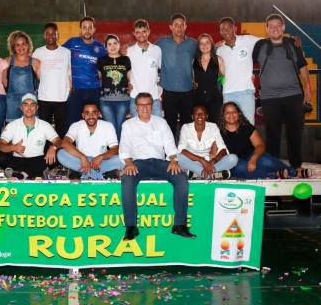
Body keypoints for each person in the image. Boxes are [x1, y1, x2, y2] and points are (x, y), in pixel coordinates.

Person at [120, 92, 195, 240]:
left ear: (152, 106)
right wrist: (128, 163)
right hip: (138, 163)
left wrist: (173, 159)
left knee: (181, 177)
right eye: (141, 105)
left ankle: (180, 225)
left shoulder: (161, 122)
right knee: (127, 179)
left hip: (160, 163)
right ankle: (131, 226)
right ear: (135, 107)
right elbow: (125, 146)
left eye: (148, 104)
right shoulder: (128, 125)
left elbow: (169, 143)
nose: (145, 108)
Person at [252, 14, 311, 176]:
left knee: (295, 133)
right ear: (266, 29)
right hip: (269, 98)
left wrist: (307, 86)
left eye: (278, 25)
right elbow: (240, 52)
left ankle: (297, 165)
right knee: (273, 135)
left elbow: (302, 65)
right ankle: (274, 166)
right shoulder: (260, 45)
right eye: (271, 26)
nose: (275, 28)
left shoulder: (293, 43)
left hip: (294, 95)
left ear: (283, 27)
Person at [217, 17, 301, 125]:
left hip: (246, 92)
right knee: (228, 125)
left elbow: (271, 39)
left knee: (248, 126)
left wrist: (292, 39)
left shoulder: (247, 40)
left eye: (229, 28)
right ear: (220, 31)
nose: (226, 31)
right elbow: (219, 71)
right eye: (223, 29)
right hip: (228, 93)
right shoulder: (219, 50)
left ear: (235, 28)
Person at [217, 102, 299, 179]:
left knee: (267, 161)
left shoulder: (247, 127)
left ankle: (293, 172)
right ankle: (273, 175)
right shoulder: (217, 131)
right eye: (227, 112)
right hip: (233, 161)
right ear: (223, 115)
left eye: (234, 111)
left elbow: (260, 145)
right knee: (241, 168)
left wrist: (254, 159)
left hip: (251, 155)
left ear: (239, 114)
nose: (231, 114)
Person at [0, 93, 61, 179]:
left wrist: (53, 147)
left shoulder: (44, 125)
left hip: (38, 160)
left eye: (32, 105)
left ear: (37, 108)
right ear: (21, 108)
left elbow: (59, 141)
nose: (29, 108)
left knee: (59, 154)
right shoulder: (12, 125)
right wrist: (13, 147)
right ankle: (33, 172)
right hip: (18, 160)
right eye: (25, 105)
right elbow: (0, 145)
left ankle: (21, 174)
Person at [155, 13, 197, 138]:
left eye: (181, 25)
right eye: (176, 25)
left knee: (187, 125)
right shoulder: (162, 43)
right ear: (171, 27)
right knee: (169, 124)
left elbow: (210, 51)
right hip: (169, 91)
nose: (179, 28)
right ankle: (170, 153)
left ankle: (186, 153)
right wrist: (126, 48)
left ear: (185, 27)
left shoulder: (192, 43)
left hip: (187, 91)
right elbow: (147, 48)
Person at [58, 101, 124, 180]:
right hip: (81, 161)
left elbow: (115, 149)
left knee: (124, 159)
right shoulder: (76, 126)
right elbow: (65, 143)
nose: (91, 116)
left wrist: (101, 156)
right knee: (60, 154)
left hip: (102, 161)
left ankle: (82, 174)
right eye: (87, 113)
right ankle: (101, 174)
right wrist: (82, 157)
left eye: (94, 112)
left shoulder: (108, 126)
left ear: (99, 114)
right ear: (83, 115)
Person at [62, 16, 106, 128]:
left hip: (95, 90)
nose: (87, 30)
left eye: (90, 27)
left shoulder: (100, 47)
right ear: (80, 29)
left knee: (96, 123)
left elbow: (108, 66)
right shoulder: (72, 42)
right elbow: (56, 53)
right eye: (84, 27)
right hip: (77, 91)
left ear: (94, 29)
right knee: (70, 124)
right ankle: (73, 146)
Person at [177, 105, 237, 179]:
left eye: (202, 113)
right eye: (196, 113)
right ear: (192, 116)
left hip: (209, 162)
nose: (199, 115)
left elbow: (223, 149)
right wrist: (202, 160)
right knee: (178, 157)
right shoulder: (186, 128)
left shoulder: (213, 127)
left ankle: (197, 174)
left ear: (206, 116)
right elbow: (181, 150)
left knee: (233, 158)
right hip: (191, 162)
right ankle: (212, 174)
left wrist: (212, 161)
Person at [33, 22, 71, 139]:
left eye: (53, 33)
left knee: (61, 130)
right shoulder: (38, 52)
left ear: (57, 35)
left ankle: (59, 155)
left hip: (61, 98)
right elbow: (34, 70)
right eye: (47, 34)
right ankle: (45, 156)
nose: (50, 36)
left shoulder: (66, 52)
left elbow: (70, 71)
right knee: (45, 131)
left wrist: (70, 86)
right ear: (44, 36)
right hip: (44, 98)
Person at [97, 34, 132, 140]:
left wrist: (130, 85)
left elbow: (129, 78)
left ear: (119, 44)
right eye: (109, 44)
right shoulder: (102, 60)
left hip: (123, 99)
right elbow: (97, 79)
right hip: (106, 100)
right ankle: (114, 152)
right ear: (106, 47)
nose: (113, 46)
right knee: (111, 128)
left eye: (115, 43)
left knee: (120, 127)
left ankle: (120, 153)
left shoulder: (126, 59)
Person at [126, 19, 162, 118]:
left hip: (154, 97)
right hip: (135, 97)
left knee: (157, 128)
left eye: (144, 32)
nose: (141, 35)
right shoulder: (128, 51)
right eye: (138, 32)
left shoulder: (157, 50)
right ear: (134, 34)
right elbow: (122, 69)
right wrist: (126, 82)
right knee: (137, 129)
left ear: (148, 32)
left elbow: (160, 70)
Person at [3, 31, 40, 123]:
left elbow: (43, 81)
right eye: (17, 45)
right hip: (12, 102)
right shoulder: (7, 61)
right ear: (14, 47)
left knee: (32, 129)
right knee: (12, 130)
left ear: (28, 45)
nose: (21, 47)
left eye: (23, 44)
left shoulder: (35, 62)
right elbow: (4, 82)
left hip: (30, 101)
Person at [193, 34, 224, 123]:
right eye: (201, 43)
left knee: (216, 124)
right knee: (200, 124)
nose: (204, 46)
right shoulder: (194, 61)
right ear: (198, 46)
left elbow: (229, 75)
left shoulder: (218, 59)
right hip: (199, 97)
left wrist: (248, 76)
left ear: (212, 44)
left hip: (215, 97)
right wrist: (193, 83)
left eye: (207, 42)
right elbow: (189, 78)